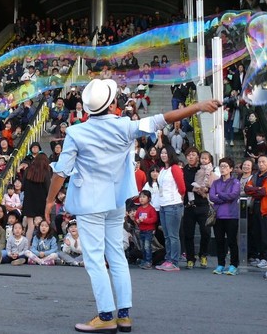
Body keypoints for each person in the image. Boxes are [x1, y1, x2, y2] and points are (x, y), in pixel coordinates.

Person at [45, 78, 220, 332]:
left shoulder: (75, 132)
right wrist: (199, 106)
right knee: (116, 255)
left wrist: (50, 200)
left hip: (89, 203)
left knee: (95, 260)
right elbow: (165, 118)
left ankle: (106, 316)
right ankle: (124, 315)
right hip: (115, 201)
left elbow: (61, 172)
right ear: (113, 104)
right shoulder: (126, 126)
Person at [245, 154, 267, 269]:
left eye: (263, 162)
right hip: (255, 208)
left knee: (266, 235)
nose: (261, 164)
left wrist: (255, 190)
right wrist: (257, 190)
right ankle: (260, 257)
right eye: (259, 162)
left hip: (266, 210)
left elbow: (264, 191)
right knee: (256, 233)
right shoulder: (255, 175)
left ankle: (266, 258)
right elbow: (246, 188)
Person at [184, 150, 216, 270]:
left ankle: (203, 254)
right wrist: (196, 189)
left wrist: (206, 189)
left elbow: (211, 185)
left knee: (206, 232)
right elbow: (184, 185)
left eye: (193, 155)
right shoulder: (184, 169)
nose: (191, 157)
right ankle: (190, 259)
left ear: (198, 157)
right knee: (188, 234)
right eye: (189, 155)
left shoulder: (205, 169)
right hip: (189, 206)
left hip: (203, 205)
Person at [209, 157, 241, 275]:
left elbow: (233, 195)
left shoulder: (235, 182)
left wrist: (219, 195)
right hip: (218, 216)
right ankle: (220, 264)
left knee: (232, 241)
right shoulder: (216, 182)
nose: (223, 169)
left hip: (231, 216)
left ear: (231, 169)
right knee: (219, 241)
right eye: (221, 166)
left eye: (225, 166)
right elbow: (212, 197)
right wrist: (222, 196)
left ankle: (233, 265)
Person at [21, 153, 52, 242]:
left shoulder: (28, 170)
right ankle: (44, 247)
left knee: (30, 227)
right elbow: (48, 188)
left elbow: (23, 186)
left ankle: (27, 248)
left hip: (29, 201)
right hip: (42, 202)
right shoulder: (46, 172)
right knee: (44, 226)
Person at [134, 190, 157, 269]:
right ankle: (144, 260)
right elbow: (136, 217)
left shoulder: (151, 209)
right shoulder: (139, 209)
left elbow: (154, 219)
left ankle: (148, 261)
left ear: (149, 199)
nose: (141, 199)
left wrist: (144, 220)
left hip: (149, 231)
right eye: (140, 197)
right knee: (143, 247)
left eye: (144, 197)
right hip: (141, 230)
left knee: (147, 247)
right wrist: (137, 220)